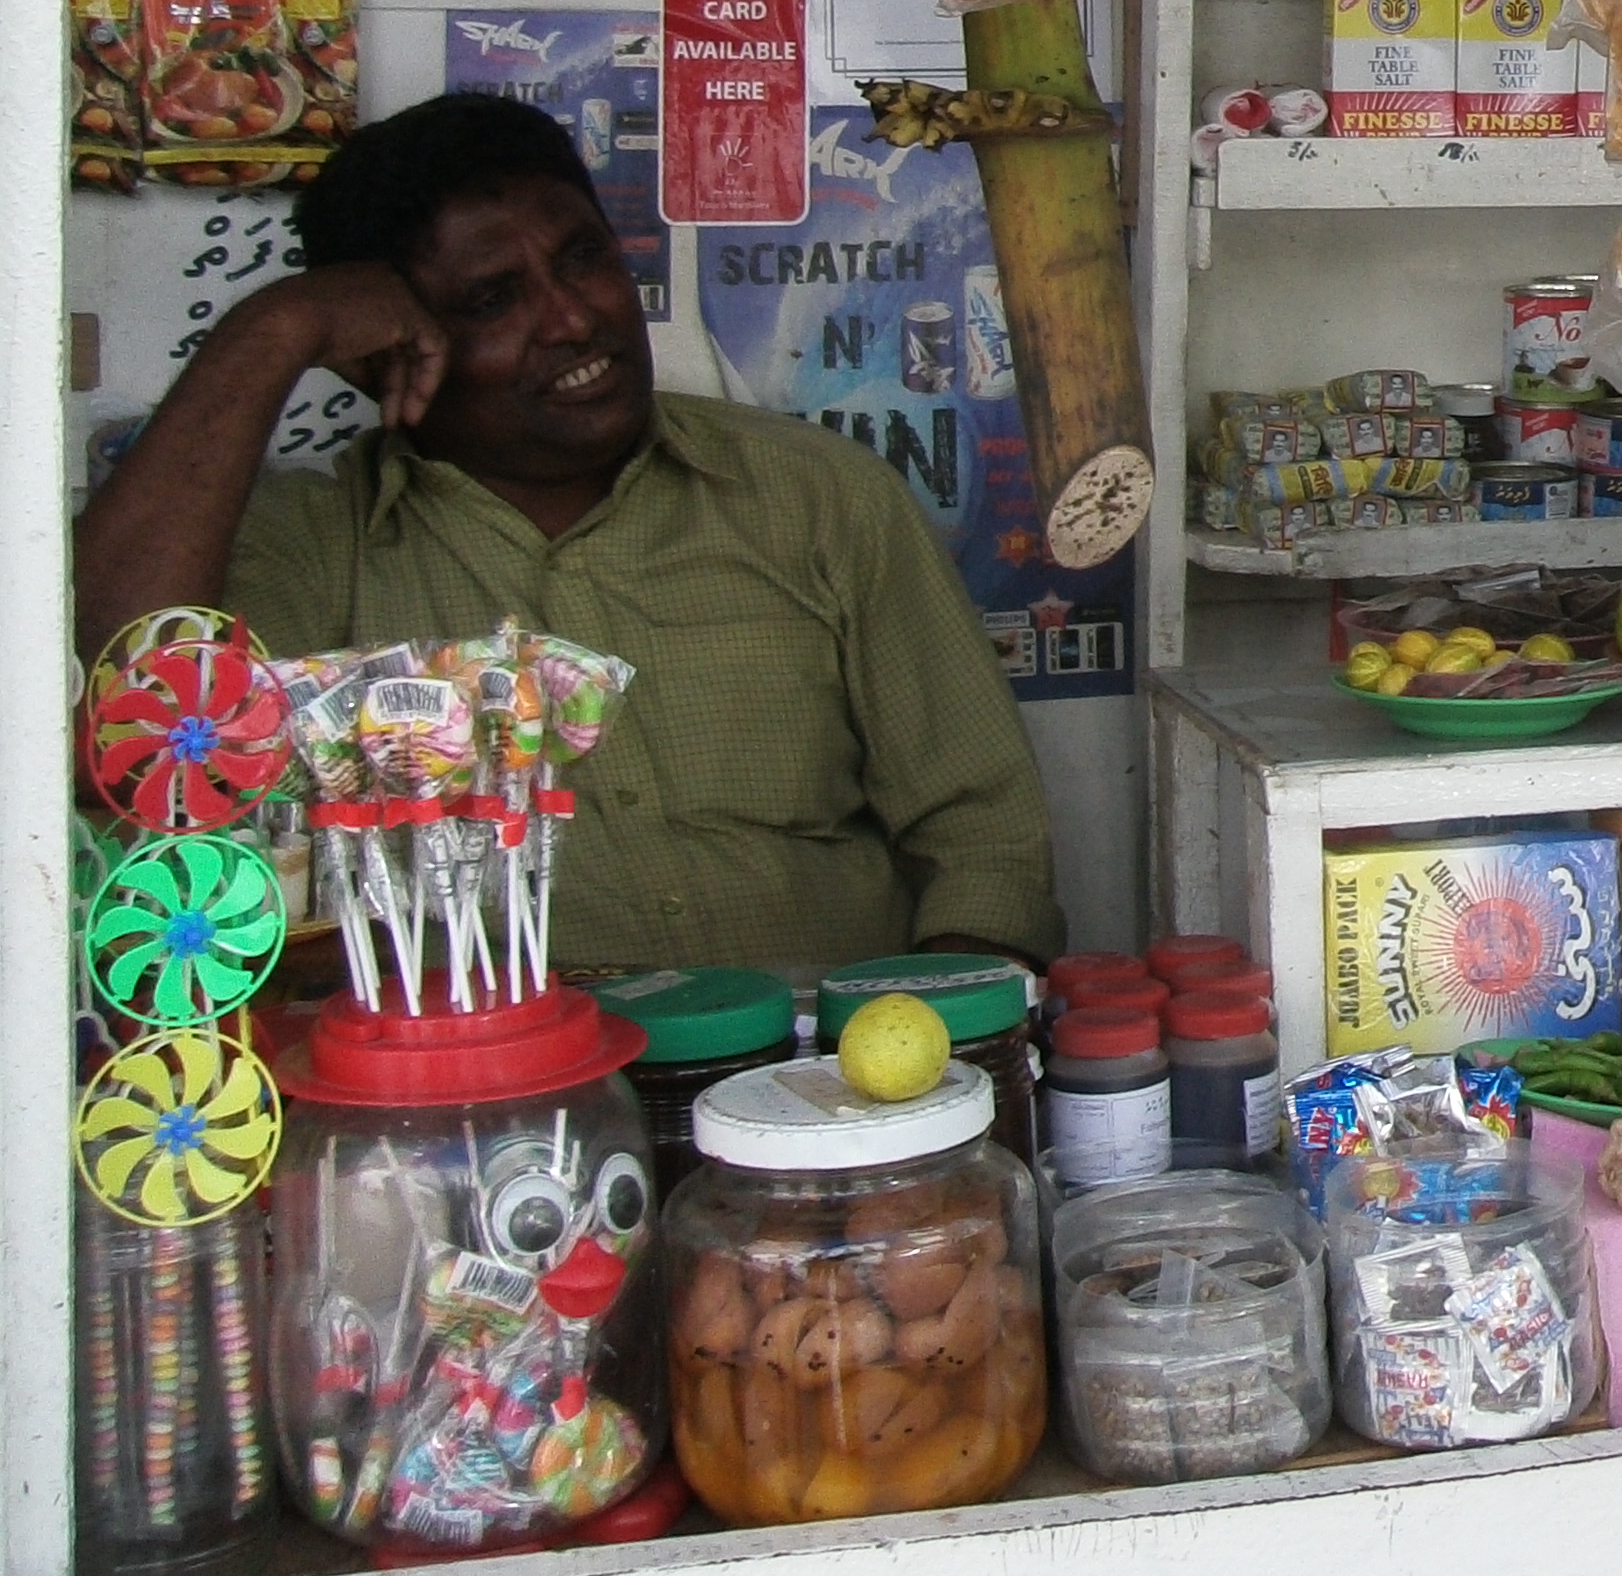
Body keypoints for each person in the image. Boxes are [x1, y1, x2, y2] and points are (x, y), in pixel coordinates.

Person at [77, 91, 1063, 976]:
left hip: (829, 1094)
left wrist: (925, 1058)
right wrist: (274, 331)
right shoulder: (310, 552)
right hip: (477, 1140)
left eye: (582, 258)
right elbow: (117, 688)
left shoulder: (817, 499)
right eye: (493, 301)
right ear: (385, 359)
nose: (573, 318)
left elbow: (983, 843)